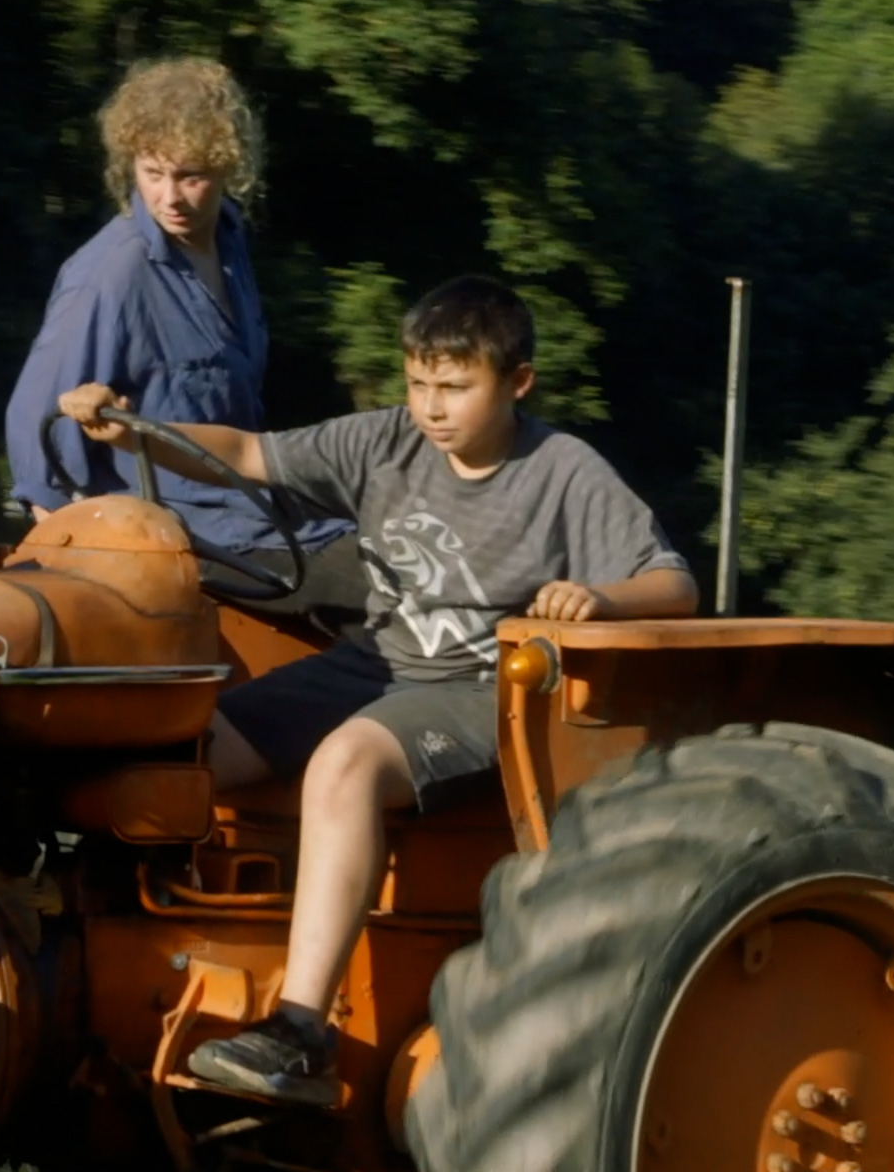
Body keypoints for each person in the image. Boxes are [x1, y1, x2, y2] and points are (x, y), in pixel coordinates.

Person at [58, 275, 697, 1106]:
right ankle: (77, 955)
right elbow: (245, 455)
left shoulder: (562, 470)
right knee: (181, 754)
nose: (432, 407)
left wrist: (601, 599)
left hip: (478, 686)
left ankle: (300, 1033)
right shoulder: (387, 441)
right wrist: (138, 431)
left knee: (346, 763)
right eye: (419, 382)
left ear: (518, 382)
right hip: (376, 663)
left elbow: (673, 583)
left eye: (455, 387)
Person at [3, 56, 361, 619]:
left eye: (190, 176)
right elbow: (36, 435)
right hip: (182, 538)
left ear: (228, 166)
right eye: (152, 173)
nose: (169, 196)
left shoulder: (231, 242)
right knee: (383, 590)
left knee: (410, 550)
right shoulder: (111, 274)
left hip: (256, 511)